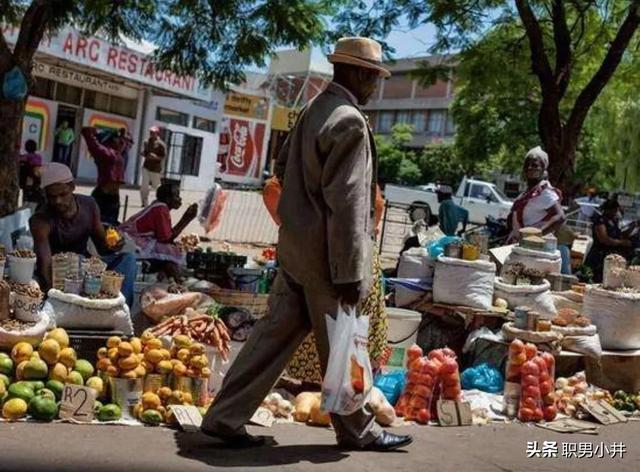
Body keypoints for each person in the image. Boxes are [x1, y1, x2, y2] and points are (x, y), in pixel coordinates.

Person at [201, 37, 411, 452]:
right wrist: (351, 271)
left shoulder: (313, 111)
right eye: (372, 76)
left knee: (271, 338)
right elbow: (349, 204)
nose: (374, 86)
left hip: (296, 251)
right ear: (357, 73)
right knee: (344, 344)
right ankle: (360, 431)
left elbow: (281, 174)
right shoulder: (349, 120)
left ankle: (224, 416)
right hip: (328, 259)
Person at [29, 163, 137, 307]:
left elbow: (102, 247)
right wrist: (55, 297)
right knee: (77, 260)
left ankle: (121, 308)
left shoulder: (89, 206)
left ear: (72, 187)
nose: (57, 201)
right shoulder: (40, 220)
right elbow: (45, 264)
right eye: (52, 197)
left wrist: (114, 246)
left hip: (85, 269)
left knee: (128, 260)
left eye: (62, 194)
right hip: (59, 273)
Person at [119, 182, 198, 280]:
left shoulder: (159, 206)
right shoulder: (161, 208)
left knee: (172, 248)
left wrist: (186, 218)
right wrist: (186, 218)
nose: (180, 199)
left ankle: (172, 277)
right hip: (131, 240)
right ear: (168, 199)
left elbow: (166, 236)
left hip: (132, 238)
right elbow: (166, 238)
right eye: (177, 196)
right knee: (172, 251)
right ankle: (178, 280)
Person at [507, 146, 565, 241]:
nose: (529, 168)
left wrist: (534, 236)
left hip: (531, 248)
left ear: (543, 169)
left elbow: (560, 217)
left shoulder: (545, 192)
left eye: (535, 165)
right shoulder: (526, 194)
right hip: (518, 244)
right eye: (527, 165)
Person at [81, 126, 126, 225]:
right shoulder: (104, 153)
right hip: (104, 196)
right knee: (99, 225)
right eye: (116, 138)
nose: (119, 140)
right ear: (111, 140)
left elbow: (123, 144)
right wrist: (90, 132)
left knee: (111, 226)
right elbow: (91, 142)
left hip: (114, 197)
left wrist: (122, 134)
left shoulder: (116, 152)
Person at [585, 199, 635, 282]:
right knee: (593, 280)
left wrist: (632, 227)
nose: (616, 212)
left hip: (611, 257)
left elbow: (619, 235)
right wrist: (621, 243)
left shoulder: (613, 221)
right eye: (615, 210)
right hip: (599, 256)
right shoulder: (600, 220)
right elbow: (604, 239)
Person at [140, 126, 166, 207]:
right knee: (144, 185)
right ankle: (144, 202)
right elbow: (144, 152)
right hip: (146, 166)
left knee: (156, 186)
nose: (151, 134)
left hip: (156, 169)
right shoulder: (146, 142)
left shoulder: (161, 144)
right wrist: (145, 154)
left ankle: (160, 200)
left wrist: (155, 157)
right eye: (150, 132)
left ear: (157, 133)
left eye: (153, 132)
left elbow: (163, 157)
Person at [19, 139, 44, 211]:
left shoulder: (27, 157)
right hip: (37, 178)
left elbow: (19, 159)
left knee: (27, 193)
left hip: (29, 178)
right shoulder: (38, 156)